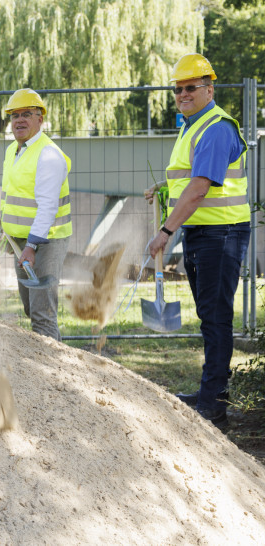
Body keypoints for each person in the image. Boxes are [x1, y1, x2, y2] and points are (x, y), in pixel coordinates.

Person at [145, 53, 250, 429]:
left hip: (220, 234)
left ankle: (214, 406)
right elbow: (191, 177)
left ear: (210, 88)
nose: (183, 94)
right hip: (205, 233)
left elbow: (201, 187)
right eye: (178, 89)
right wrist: (163, 186)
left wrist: (165, 232)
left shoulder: (216, 127)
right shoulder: (194, 125)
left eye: (191, 87)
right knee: (210, 317)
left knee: (216, 318)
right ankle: (209, 395)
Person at [0, 89, 72, 341]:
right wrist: (7, 230)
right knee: (31, 307)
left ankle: (53, 371)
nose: (19, 120)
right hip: (22, 243)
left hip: (45, 242)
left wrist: (30, 245)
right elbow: (12, 194)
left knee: (42, 313)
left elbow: (48, 208)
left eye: (27, 114)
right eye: (14, 115)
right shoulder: (13, 150)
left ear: (40, 119)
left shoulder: (48, 155)